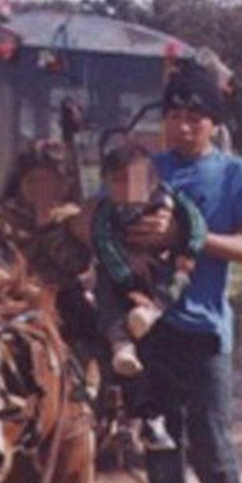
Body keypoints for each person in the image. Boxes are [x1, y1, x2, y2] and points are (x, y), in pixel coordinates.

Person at [126, 62, 242, 483]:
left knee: (214, 452)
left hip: (206, 335)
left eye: (196, 117)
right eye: (174, 116)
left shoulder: (236, 176)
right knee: (161, 447)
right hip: (151, 335)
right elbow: (118, 234)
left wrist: (192, 233)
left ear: (213, 123)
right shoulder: (144, 170)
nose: (183, 127)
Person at [91, 143, 207, 451]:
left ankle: (153, 419)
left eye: (136, 180)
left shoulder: (168, 199)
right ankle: (122, 347)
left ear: (152, 180)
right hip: (119, 278)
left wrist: (188, 250)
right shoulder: (106, 212)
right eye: (118, 181)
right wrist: (127, 275)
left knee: (162, 334)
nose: (128, 189)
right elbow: (103, 244)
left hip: (161, 275)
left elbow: (195, 223)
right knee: (108, 304)